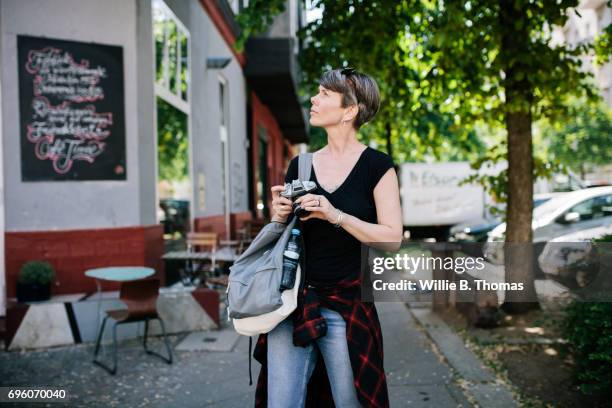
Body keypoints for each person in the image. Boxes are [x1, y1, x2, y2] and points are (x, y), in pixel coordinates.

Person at [252, 67, 403, 408]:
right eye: (316, 92)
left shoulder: (377, 167)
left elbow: (392, 238)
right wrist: (278, 217)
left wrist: (335, 215)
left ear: (350, 110)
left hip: (348, 306)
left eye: (324, 94)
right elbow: (286, 234)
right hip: (292, 303)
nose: (314, 99)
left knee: (350, 402)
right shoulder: (300, 165)